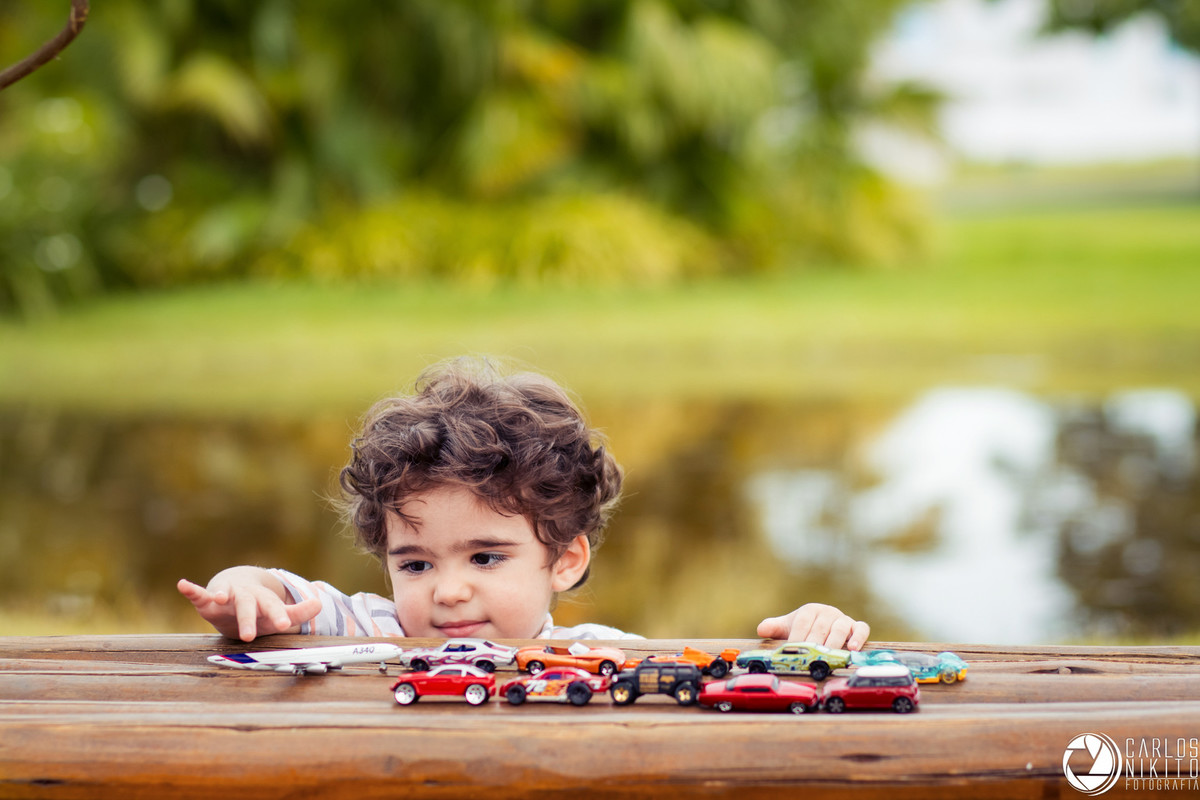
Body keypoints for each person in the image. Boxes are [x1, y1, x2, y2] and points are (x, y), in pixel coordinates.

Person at [178, 357, 870, 649]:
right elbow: (282, 599)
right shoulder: (372, 635)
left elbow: (717, 677)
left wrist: (813, 630)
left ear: (564, 560)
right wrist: (246, 590)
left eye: (485, 556)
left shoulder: (600, 658)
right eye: (414, 564)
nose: (448, 592)